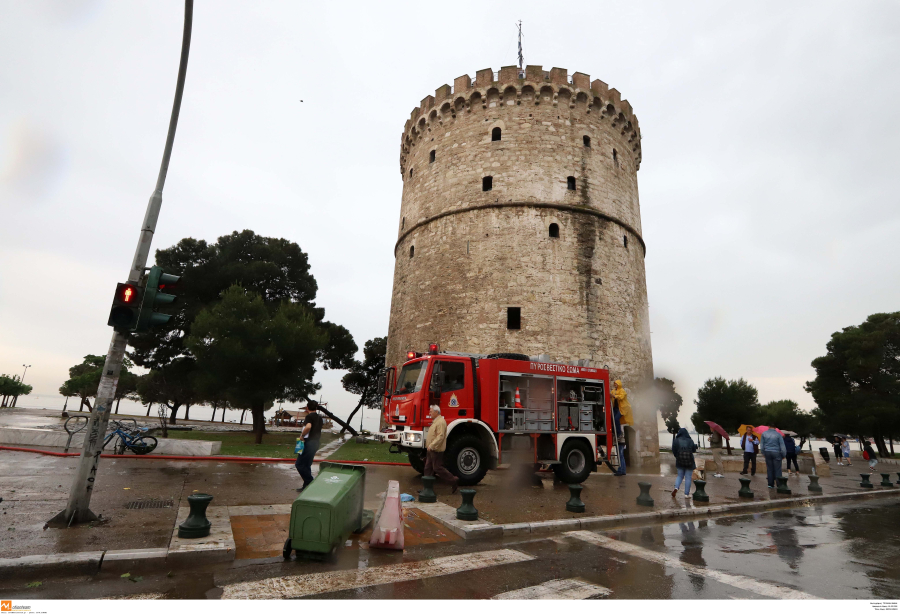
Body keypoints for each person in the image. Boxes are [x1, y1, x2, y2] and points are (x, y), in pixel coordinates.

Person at [424, 405, 459, 493]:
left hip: (436, 450)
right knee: (428, 468)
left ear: (436, 412)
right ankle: (427, 488)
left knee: (437, 468)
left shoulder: (440, 422)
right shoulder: (436, 421)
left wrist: (432, 445)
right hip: (431, 449)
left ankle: (453, 480)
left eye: (431, 411)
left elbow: (440, 436)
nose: (429, 413)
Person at [294, 400, 324, 492]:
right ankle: (306, 486)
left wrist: (302, 435)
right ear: (316, 407)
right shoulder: (320, 417)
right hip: (316, 443)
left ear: (307, 408)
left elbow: (308, 427)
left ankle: (311, 482)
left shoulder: (309, 416)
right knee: (307, 465)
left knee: (299, 464)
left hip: (308, 442)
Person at [672, 428, 698, 497]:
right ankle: (686, 494)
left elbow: (674, 450)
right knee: (688, 477)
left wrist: (678, 456)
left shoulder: (676, 440)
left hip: (679, 461)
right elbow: (693, 450)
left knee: (680, 476)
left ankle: (676, 488)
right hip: (689, 461)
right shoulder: (690, 440)